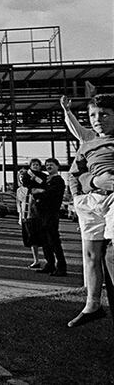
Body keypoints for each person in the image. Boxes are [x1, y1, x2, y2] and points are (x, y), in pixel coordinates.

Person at [67, 93, 114, 328]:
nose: (98, 119)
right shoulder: (88, 144)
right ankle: (92, 303)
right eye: (93, 115)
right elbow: (75, 174)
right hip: (91, 200)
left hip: (113, 197)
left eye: (104, 114)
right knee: (90, 255)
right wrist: (89, 188)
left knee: (113, 252)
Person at [28, 158, 67, 276]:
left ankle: (61, 267)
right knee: (45, 241)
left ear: (57, 166)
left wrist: (38, 192)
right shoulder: (46, 179)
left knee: (54, 241)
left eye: (51, 165)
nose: (48, 167)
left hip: (51, 214)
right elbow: (31, 188)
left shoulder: (58, 180)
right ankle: (49, 264)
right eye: (47, 165)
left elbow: (50, 194)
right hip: (41, 214)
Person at [19, 159, 48, 269]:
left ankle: (48, 260)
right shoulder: (25, 179)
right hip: (28, 213)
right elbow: (27, 186)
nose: (35, 166)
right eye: (33, 164)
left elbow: (43, 186)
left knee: (44, 237)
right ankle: (36, 260)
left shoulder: (44, 176)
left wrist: (35, 179)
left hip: (39, 211)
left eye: (37, 164)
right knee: (32, 238)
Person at [16, 172, 41, 270]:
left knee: (41, 239)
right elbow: (18, 204)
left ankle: (51, 261)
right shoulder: (19, 190)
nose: (22, 179)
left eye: (24, 177)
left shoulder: (33, 188)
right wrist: (20, 217)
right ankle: (36, 260)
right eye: (20, 177)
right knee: (31, 240)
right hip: (25, 217)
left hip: (35, 216)